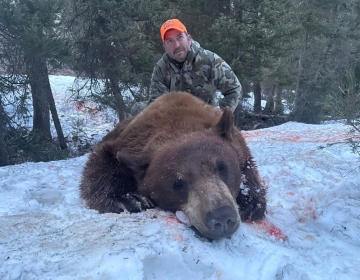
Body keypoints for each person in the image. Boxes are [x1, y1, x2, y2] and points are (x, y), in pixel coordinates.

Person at [131, 18, 242, 116]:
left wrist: (219, 115)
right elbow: (156, 103)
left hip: (204, 118)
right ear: (164, 46)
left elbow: (234, 89)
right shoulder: (161, 68)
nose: (177, 45)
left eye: (179, 37)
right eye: (170, 41)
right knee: (138, 109)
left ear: (189, 38)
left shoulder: (210, 60)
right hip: (175, 120)